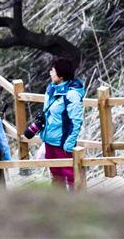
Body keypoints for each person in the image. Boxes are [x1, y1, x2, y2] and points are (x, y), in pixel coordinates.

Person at [37, 57, 85, 189]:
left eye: (52, 70)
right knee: (56, 174)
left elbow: (76, 121)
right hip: (50, 140)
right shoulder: (51, 88)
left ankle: (77, 204)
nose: (50, 73)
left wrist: (69, 144)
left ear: (61, 75)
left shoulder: (72, 94)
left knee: (70, 175)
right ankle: (60, 204)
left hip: (62, 143)